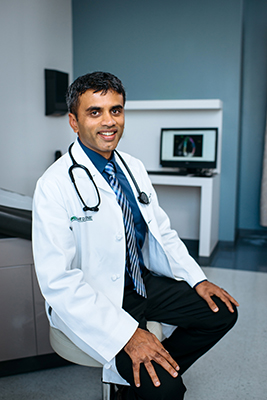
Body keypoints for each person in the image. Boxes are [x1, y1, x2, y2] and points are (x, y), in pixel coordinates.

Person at [32, 71, 239, 400]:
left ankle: (151, 369)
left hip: (140, 282)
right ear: (73, 121)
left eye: (116, 110)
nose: (108, 122)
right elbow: (58, 282)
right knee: (168, 392)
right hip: (95, 295)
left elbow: (163, 232)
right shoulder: (54, 185)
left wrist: (197, 279)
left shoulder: (133, 168)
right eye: (94, 112)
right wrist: (129, 335)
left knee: (221, 313)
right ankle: (150, 376)